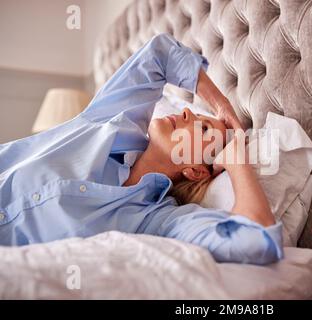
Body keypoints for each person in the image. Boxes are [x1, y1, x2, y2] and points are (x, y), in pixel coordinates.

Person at [0, 33, 283, 265]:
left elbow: (257, 240)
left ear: (195, 170)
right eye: (197, 115)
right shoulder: (113, 122)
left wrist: (237, 163)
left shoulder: (156, 221)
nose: (187, 113)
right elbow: (160, 54)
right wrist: (221, 106)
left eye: (204, 128)